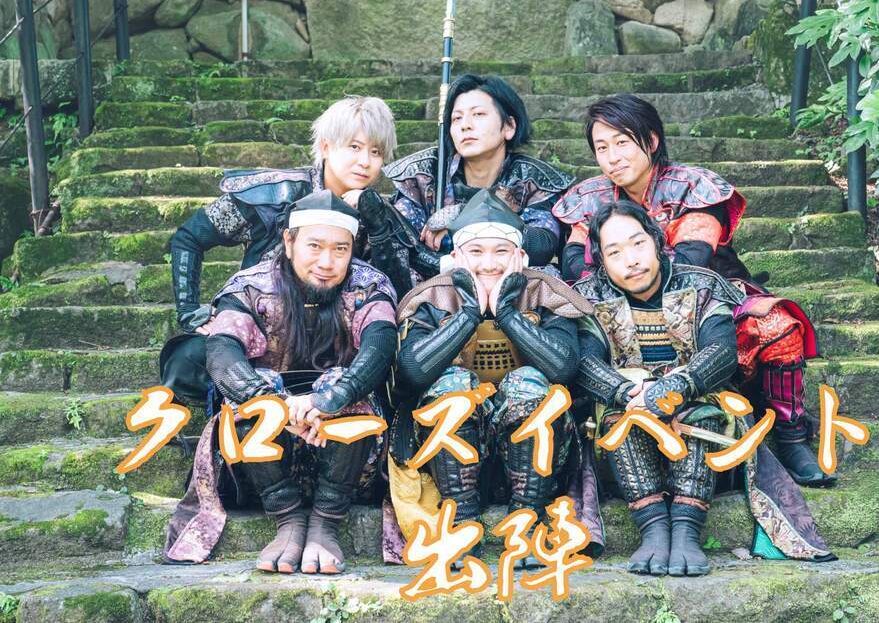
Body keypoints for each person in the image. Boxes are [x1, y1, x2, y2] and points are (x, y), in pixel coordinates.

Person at [554, 94, 829, 487]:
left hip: (702, 303)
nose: (612, 157)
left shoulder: (693, 187)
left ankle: (791, 435)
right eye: (601, 148)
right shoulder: (589, 197)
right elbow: (574, 264)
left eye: (622, 143)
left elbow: (690, 260)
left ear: (651, 141)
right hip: (617, 312)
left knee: (777, 326)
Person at [573, 201, 834, 577]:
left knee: (701, 414)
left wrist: (674, 387)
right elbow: (585, 361)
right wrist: (625, 392)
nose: (631, 260)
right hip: (626, 415)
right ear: (601, 261)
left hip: (700, 413)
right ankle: (652, 527)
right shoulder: (588, 296)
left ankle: (686, 528)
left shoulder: (702, 284)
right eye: (614, 252)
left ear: (657, 241)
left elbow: (722, 352)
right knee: (622, 420)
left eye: (638, 244)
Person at [164, 191, 398, 574]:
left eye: (340, 249)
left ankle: (325, 522)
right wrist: (276, 406)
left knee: (345, 384)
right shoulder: (250, 287)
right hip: (264, 457)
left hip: (347, 455)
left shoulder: (369, 287)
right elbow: (222, 351)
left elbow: (380, 346)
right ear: (289, 241)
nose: (327, 262)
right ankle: (287, 518)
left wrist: (330, 399)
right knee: (251, 395)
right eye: (314, 246)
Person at [381, 190, 602, 568]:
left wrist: (507, 313)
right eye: (476, 252)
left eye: (501, 251)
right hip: (451, 461)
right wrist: (469, 313)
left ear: (520, 256)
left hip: (537, 460)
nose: (489, 264)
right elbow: (412, 373)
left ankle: (528, 522)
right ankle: (462, 521)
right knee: (454, 388)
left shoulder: (545, 292)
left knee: (528, 383)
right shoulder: (431, 297)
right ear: (455, 257)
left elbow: (564, 368)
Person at [161, 96, 399, 405]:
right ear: (326, 147)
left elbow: (398, 291)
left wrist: (380, 229)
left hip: (336, 342)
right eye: (354, 147)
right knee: (190, 360)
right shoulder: (271, 195)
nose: (365, 161)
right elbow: (189, 237)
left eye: (376, 152)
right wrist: (190, 311)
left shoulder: (381, 211)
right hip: (264, 332)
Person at [359, 74, 574, 283]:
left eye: (478, 114)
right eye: (457, 118)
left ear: (509, 126)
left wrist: (464, 216)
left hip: (507, 281)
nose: (465, 125)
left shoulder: (532, 178)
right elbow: (401, 242)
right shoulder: (424, 173)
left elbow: (542, 245)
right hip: (435, 285)